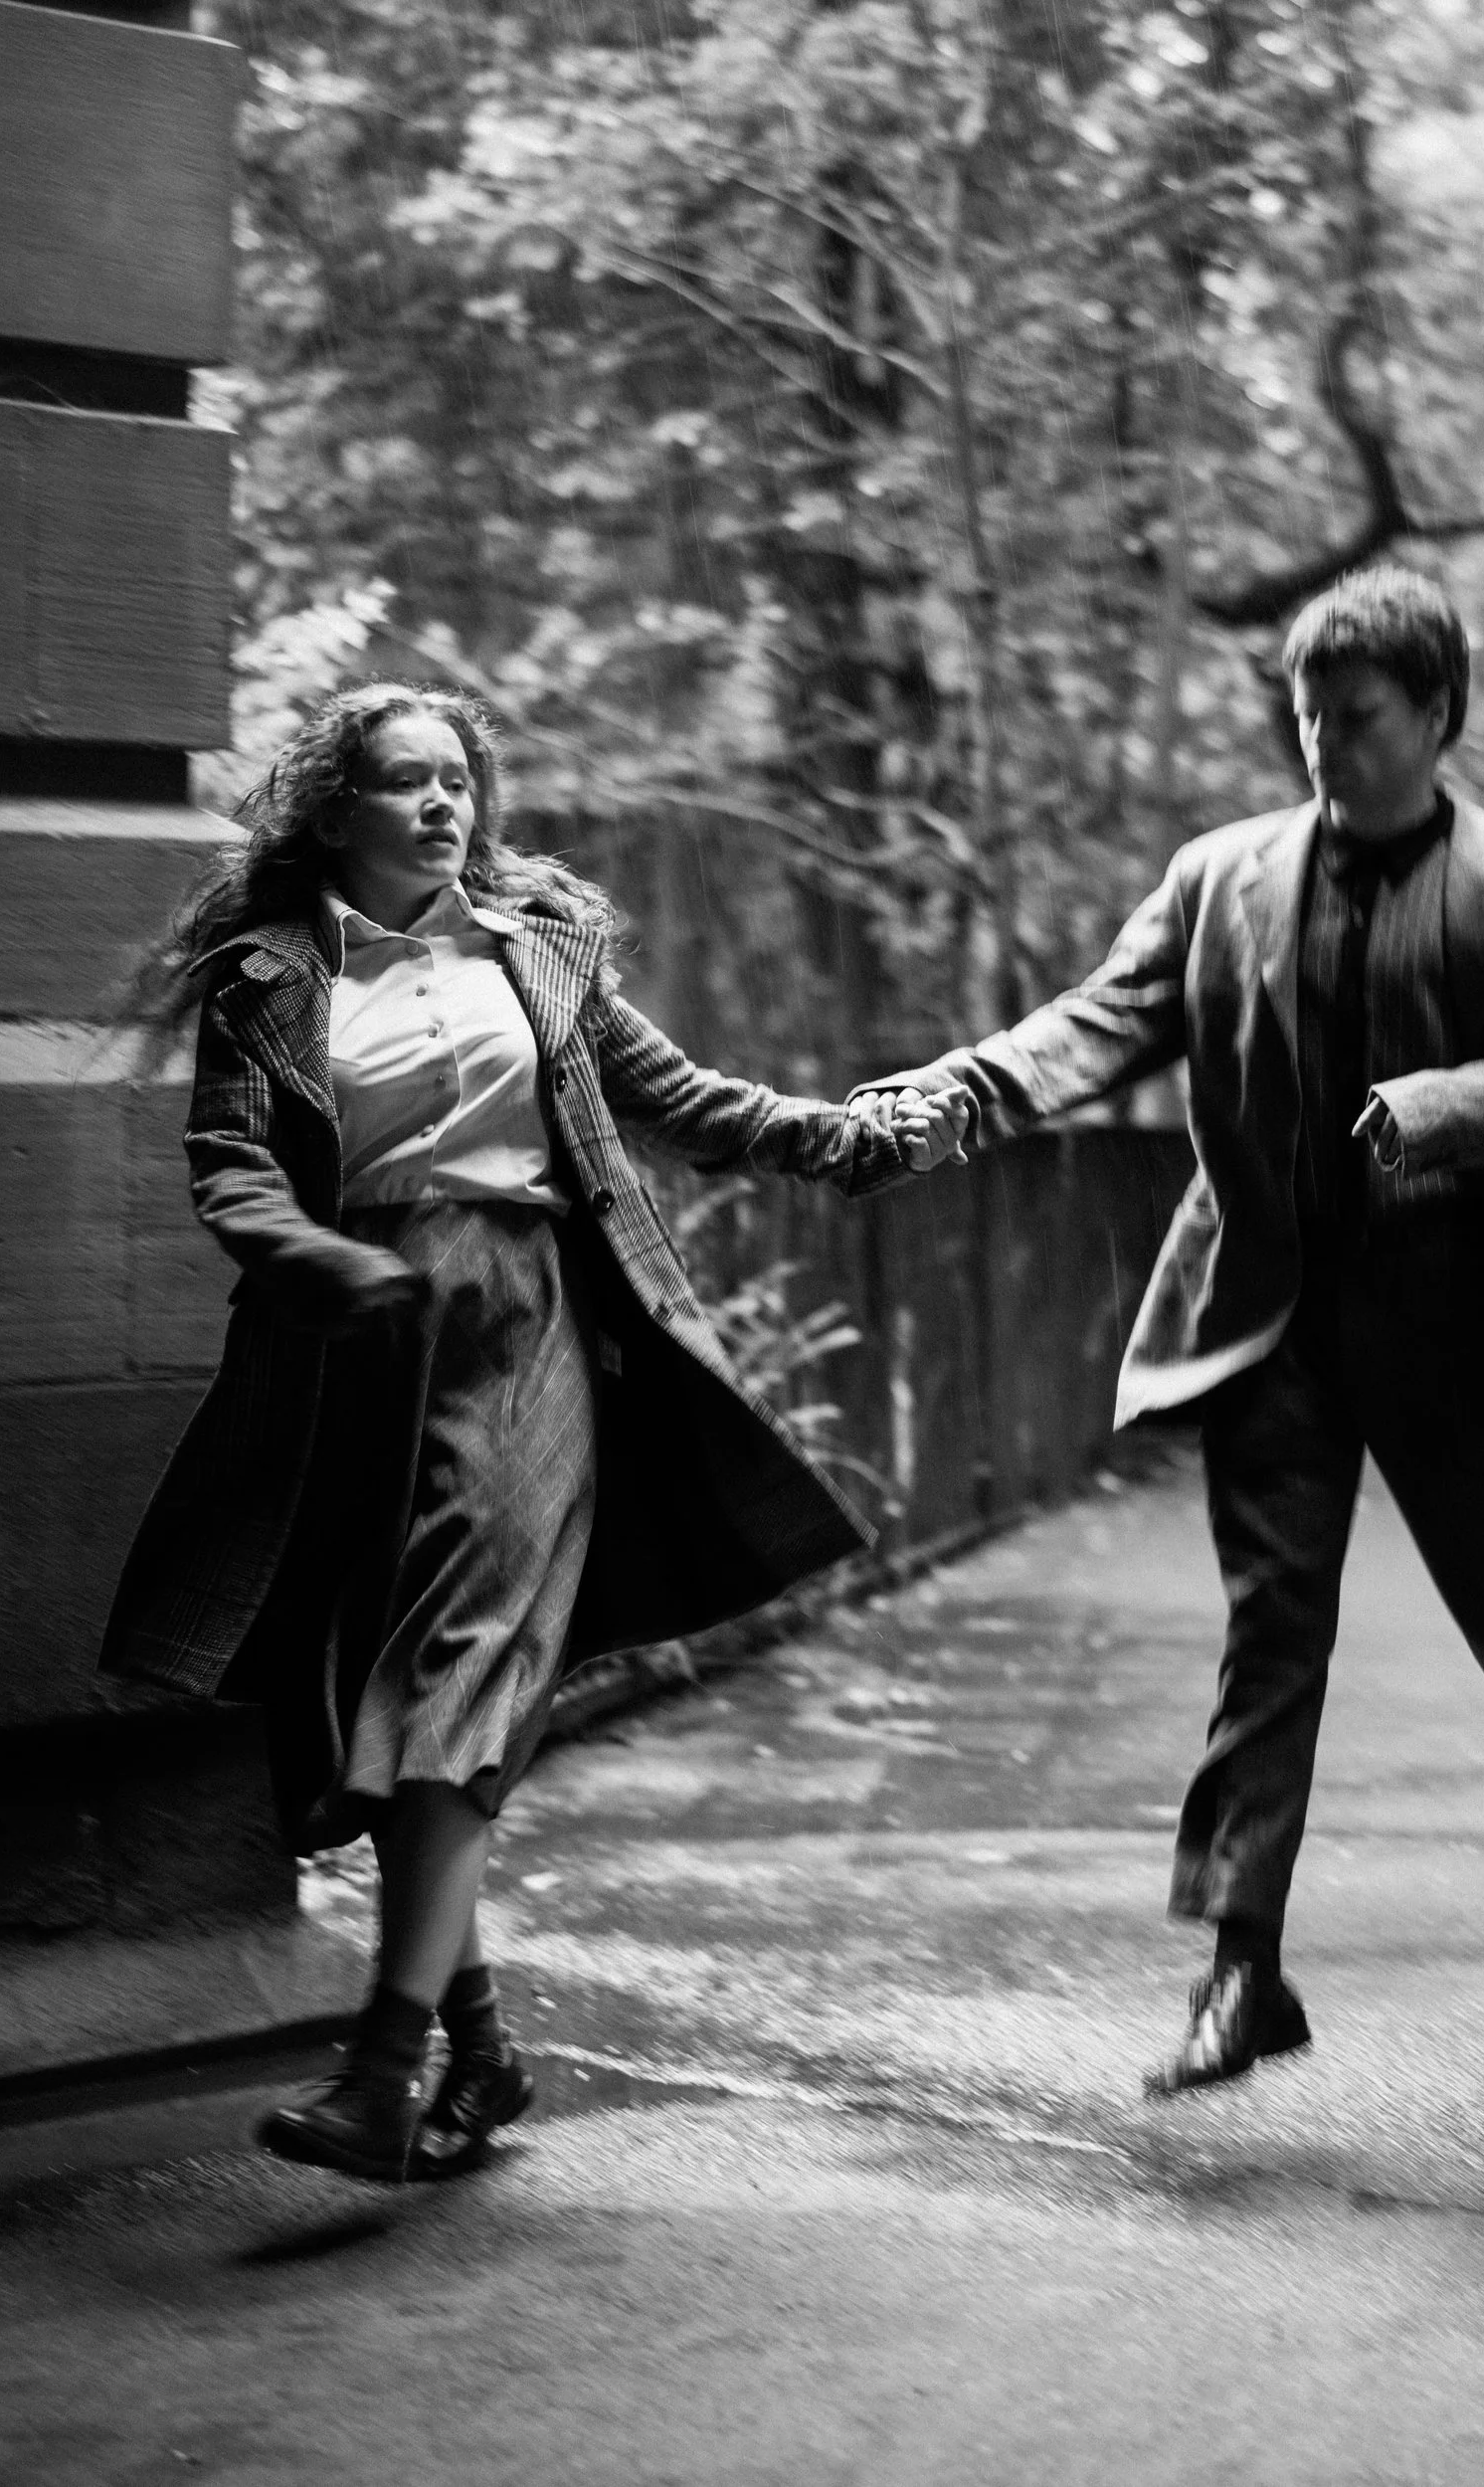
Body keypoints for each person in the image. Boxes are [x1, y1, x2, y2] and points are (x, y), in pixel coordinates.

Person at [102, 682, 966, 2182]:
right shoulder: (268, 978)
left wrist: (851, 1141)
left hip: (524, 1325)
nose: (445, 806)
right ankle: (483, 2052)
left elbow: (684, 1101)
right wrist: (313, 1258)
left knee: (457, 1675)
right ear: (334, 807)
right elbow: (230, 1165)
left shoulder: (535, 953)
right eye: (407, 782)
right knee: (376, 1692)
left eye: (460, 781)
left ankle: (380, 2077)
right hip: (353, 1347)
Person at [858, 567, 1484, 2090]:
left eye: (1356, 716)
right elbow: (1099, 1020)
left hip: (1455, 1318)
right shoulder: (1220, 877)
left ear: (1437, 716)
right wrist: (963, 1091)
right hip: (1271, 1316)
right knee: (1271, 1632)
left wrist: (1455, 1108)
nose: (1322, 742)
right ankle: (1244, 1966)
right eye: (1305, 714)